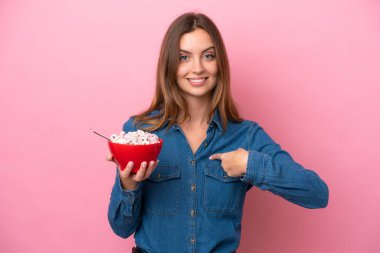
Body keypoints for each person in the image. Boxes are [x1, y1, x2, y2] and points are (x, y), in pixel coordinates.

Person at [107, 12, 329, 253]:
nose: (198, 68)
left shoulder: (246, 135)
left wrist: (250, 164)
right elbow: (121, 228)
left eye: (208, 56)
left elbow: (317, 194)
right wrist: (128, 183)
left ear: (219, 62)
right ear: (170, 64)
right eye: (184, 57)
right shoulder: (139, 132)